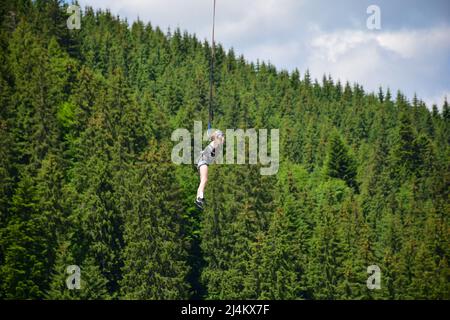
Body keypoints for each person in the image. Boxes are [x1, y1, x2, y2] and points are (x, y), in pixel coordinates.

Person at [195, 129, 225, 210]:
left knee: (203, 181)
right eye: (223, 137)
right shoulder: (216, 142)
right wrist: (214, 135)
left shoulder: (217, 145)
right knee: (204, 179)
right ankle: (199, 197)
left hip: (202, 161)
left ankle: (199, 198)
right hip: (203, 161)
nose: (223, 139)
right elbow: (214, 138)